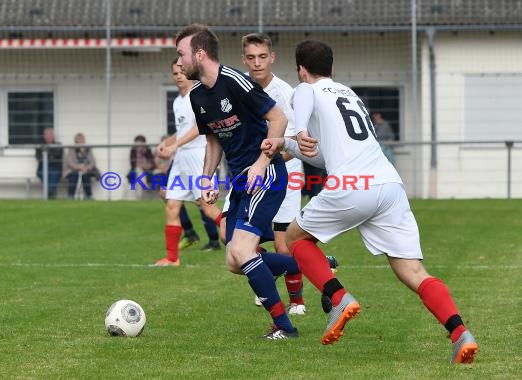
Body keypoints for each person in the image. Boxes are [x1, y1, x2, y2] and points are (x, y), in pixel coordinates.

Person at [261, 40, 478, 363]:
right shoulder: (349, 94)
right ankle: (460, 333)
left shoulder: (306, 90)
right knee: (412, 270)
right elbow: (325, 155)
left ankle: (337, 298)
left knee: (293, 238)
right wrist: (290, 145)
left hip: (353, 184)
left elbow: (304, 97)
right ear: (331, 68)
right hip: (388, 184)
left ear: (301, 71)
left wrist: (300, 130)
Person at [175, 24, 301, 339]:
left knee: (244, 250)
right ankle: (305, 263)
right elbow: (214, 141)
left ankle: (284, 327)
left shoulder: (235, 81)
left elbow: (279, 119)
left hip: (266, 175)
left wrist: (262, 163)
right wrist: (206, 178)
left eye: (181, 54)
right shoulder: (198, 96)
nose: (178, 62)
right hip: (241, 181)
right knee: (234, 261)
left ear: (199, 54)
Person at [239, 32, 309, 315]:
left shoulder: (285, 94)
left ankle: (297, 303)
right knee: (234, 239)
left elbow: (292, 144)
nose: (257, 63)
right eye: (251, 58)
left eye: (262, 57)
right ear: (244, 59)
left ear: (272, 57)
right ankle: (269, 272)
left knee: (283, 242)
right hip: (250, 172)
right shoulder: (239, 86)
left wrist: (263, 160)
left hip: (284, 172)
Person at [153, 59, 223, 266]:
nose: (179, 76)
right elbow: (184, 130)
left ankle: (240, 238)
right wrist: (168, 142)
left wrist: (175, 146)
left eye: (182, 71)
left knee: (208, 207)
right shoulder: (177, 101)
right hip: (182, 157)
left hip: (198, 155)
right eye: (175, 73)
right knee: (172, 204)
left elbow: (198, 128)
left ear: (189, 72)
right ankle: (172, 258)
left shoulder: (198, 95)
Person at [63, 133, 99, 200]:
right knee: (74, 176)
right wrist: (79, 167)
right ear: (76, 141)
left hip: (86, 170)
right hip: (73, 170)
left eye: (83, 139)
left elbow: (92, 161)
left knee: (86, 175)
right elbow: (70, 162)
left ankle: (89, 196)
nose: (82, 141)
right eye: (80, 139)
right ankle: (71, 196)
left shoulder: (88, 149)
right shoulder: (72, 149)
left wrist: (86, 168)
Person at [35, 127, 63, 200]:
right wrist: (51, 155)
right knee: (44, 174)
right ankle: (51, 194)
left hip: (55, 167)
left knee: (53, 174)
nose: (48, 136)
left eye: (50, 135)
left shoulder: (59, 145)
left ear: (53, 136)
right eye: (46, 135)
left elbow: (59, 156)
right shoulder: (40, 145)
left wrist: (47, 155)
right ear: (44, 136)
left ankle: (49, 194)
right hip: (43, 168)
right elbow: (38, 157)